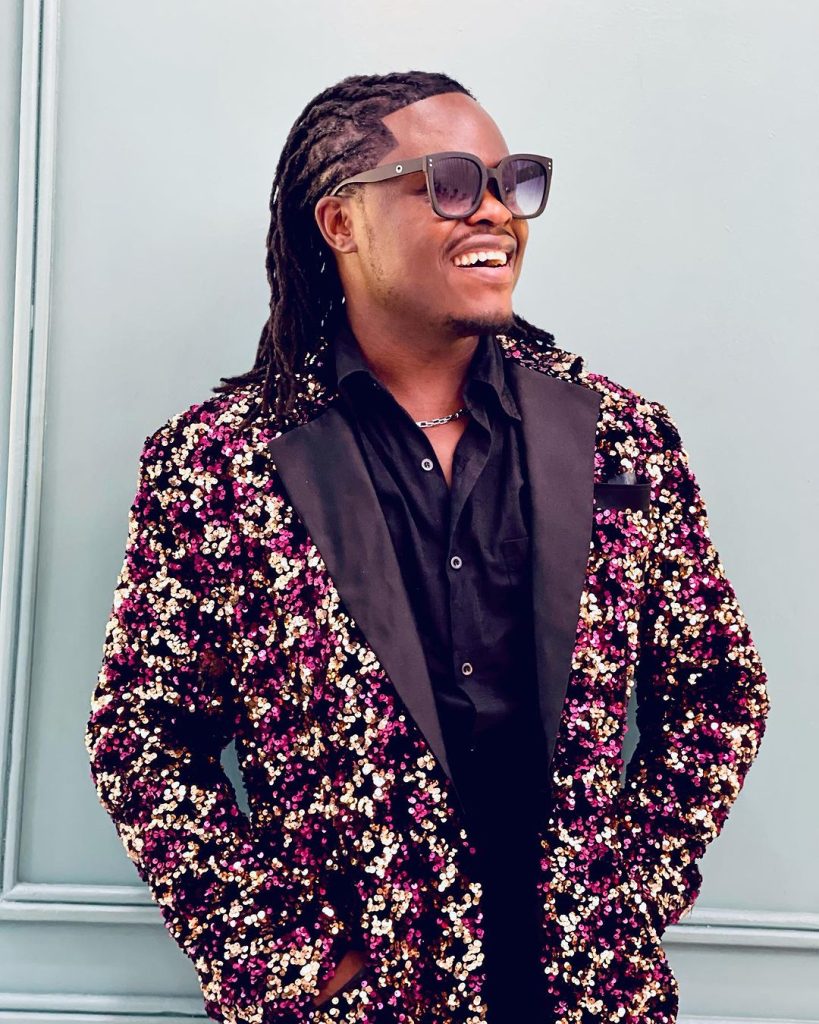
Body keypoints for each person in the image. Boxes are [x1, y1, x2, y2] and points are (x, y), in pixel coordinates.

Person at [84, 70, 771, 1024]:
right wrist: (285, 958)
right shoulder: (217, 465)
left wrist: (626, 894)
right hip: (358, 999)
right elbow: (143, 738)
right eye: (449, 182)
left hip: (580, 992)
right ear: (341, 222)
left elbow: (718, 691)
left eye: (510, 180)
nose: (494, 210)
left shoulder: (623, 438)